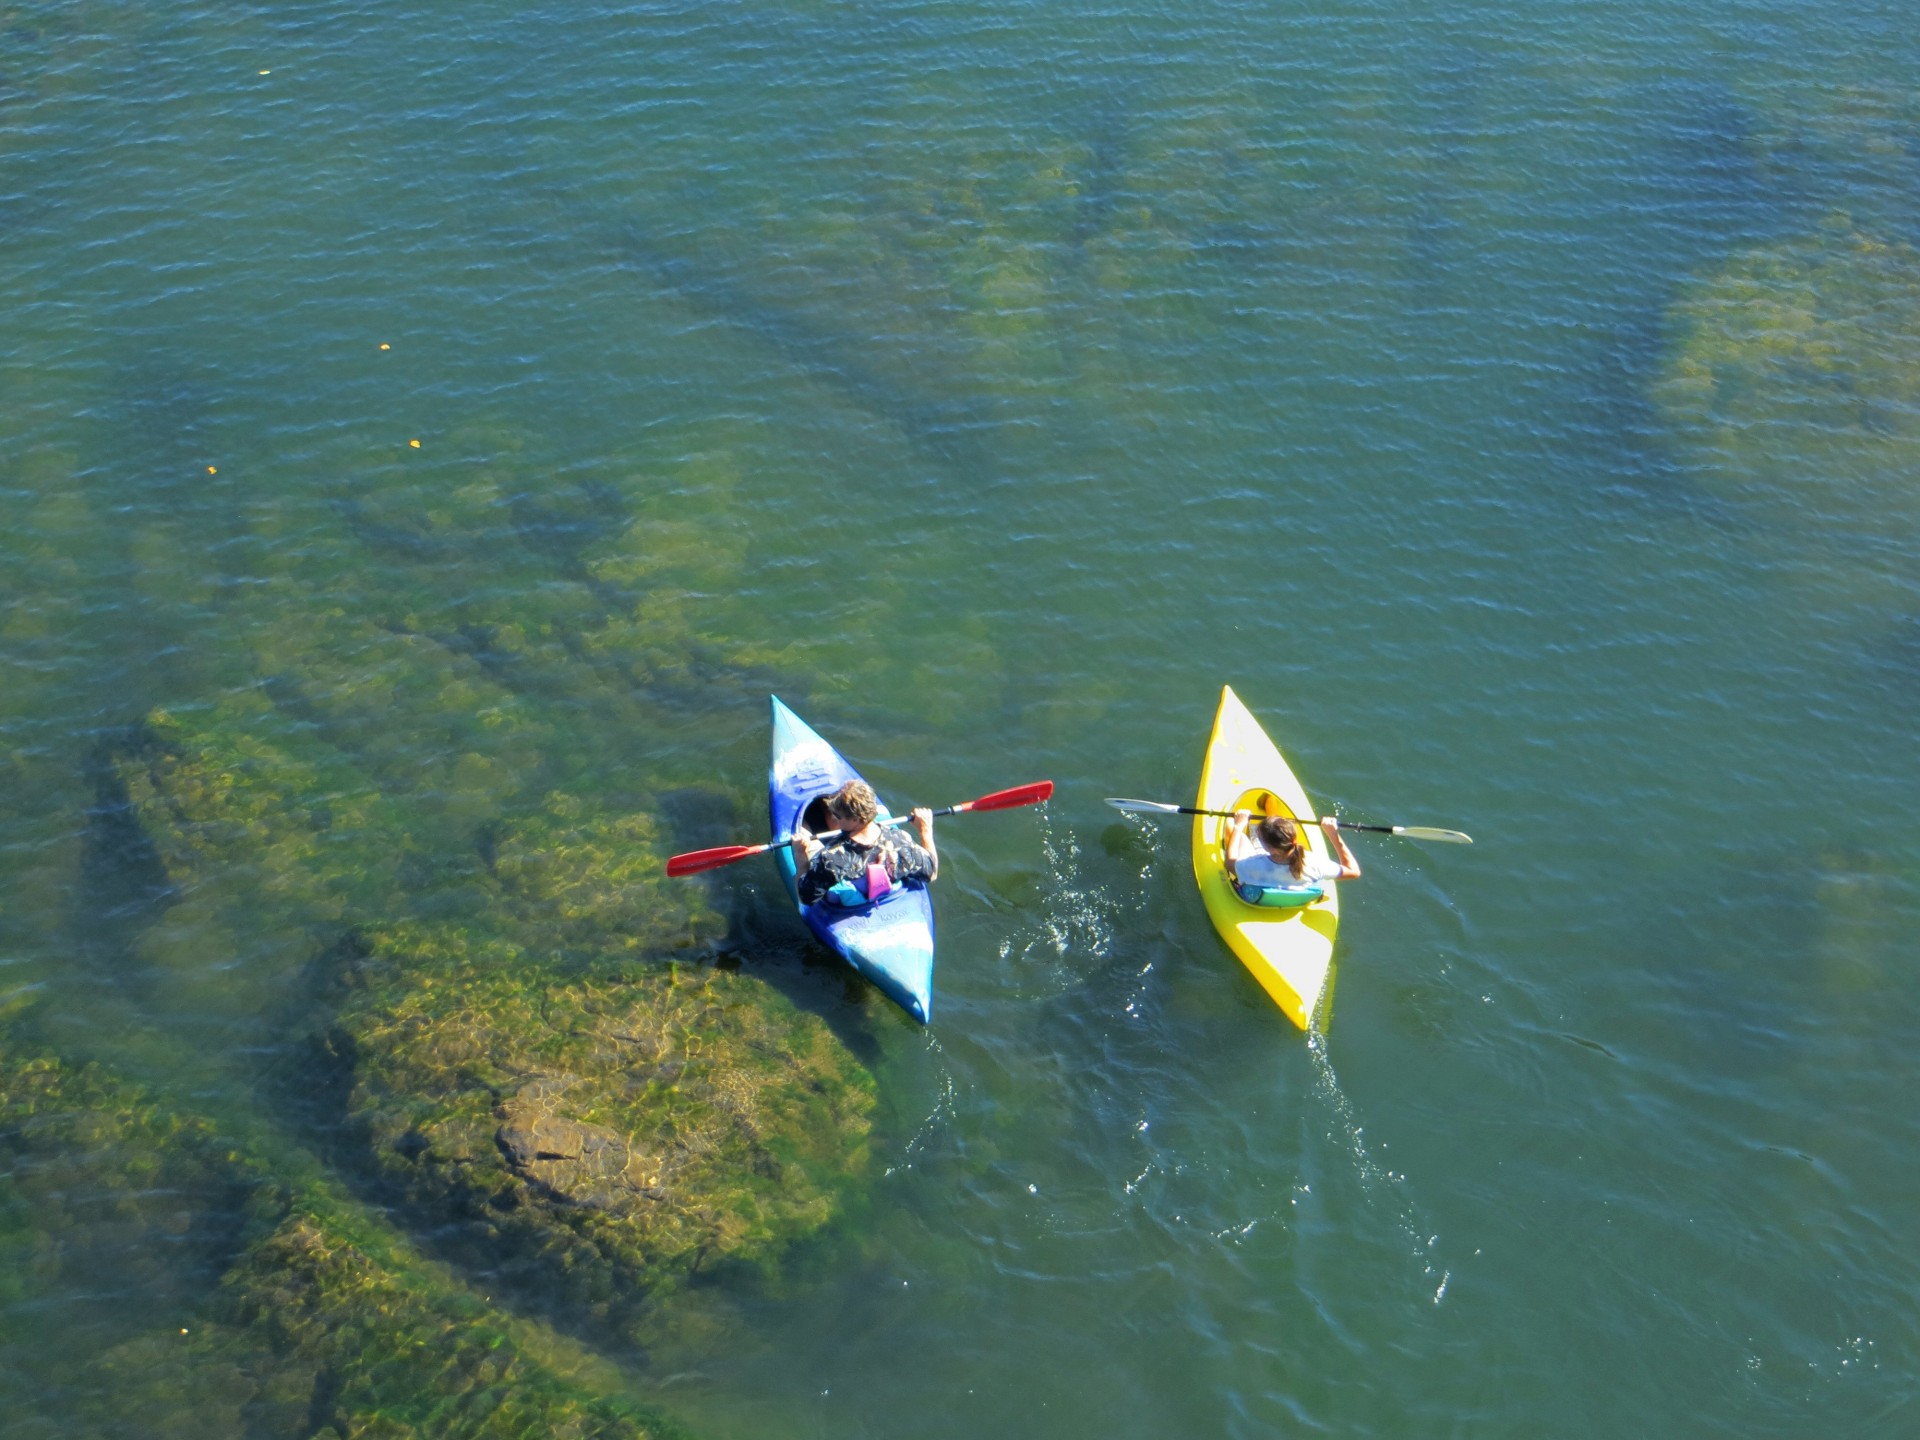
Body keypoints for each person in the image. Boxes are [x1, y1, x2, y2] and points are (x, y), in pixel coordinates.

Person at [793, 779, 937, 906]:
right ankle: (828, 807)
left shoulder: (831, 857)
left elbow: (805, 898)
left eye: (838, 816)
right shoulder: (900, 840)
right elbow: (932, 873)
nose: (836, 819)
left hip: (848, 903)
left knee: (802, 831)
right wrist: (925, 830)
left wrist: (800, 856)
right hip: (887, 891)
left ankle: (815, 813)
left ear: (856, 819)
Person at [1224, 797, 1360, 901]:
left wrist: (1238, 826)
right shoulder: (1315, 863)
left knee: (1232, 827)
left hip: (1258, 893)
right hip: (1291, 899)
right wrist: (1333, 836)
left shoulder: (1254, 864)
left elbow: (1229, 863)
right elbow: (1354, 871)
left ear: (1270, 849)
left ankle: (1257, 810)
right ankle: (1269, 802)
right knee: (1274, 821)